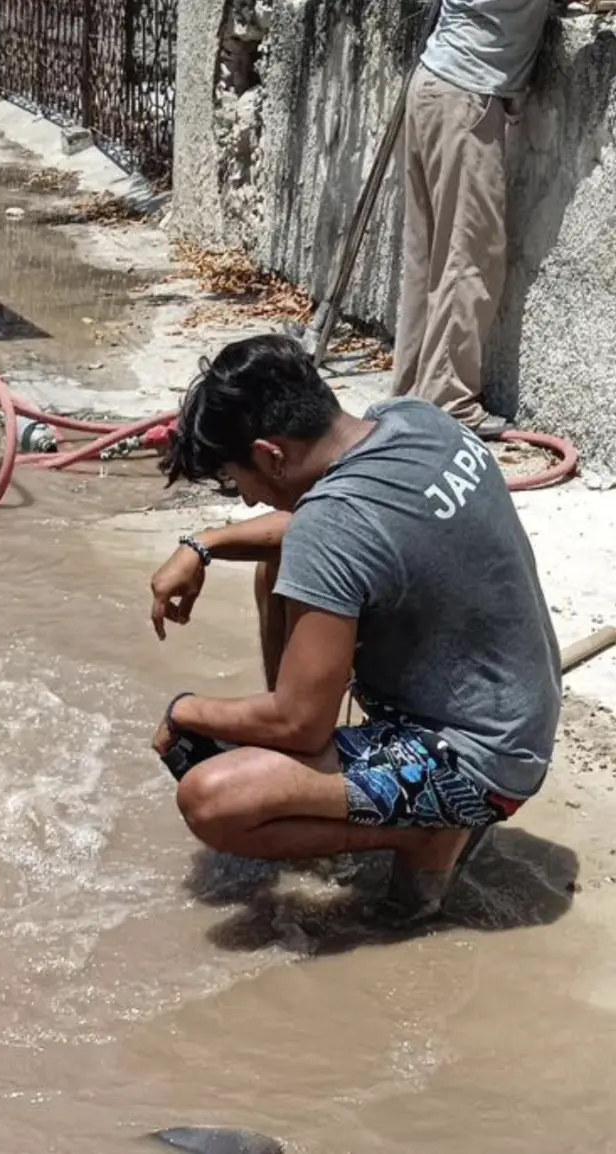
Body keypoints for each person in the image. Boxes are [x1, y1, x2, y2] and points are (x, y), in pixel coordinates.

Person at [149, 334, 560, 920]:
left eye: (239, 481)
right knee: (281, 572)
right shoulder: (415, 420)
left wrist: (182, 709)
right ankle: (355, 789)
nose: (246, 501)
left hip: (476, 765)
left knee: (210, 795)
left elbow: (298, 721)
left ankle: (424, 835)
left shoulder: (329, 525)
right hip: (520, 715)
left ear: (271, 454)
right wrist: (204, 544)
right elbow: (342, 532)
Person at [392, 0, 550, 438]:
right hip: (466, 96)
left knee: (429, 260)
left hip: (435, 84)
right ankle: (449, 400)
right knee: (468, 257)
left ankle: (410, 401)